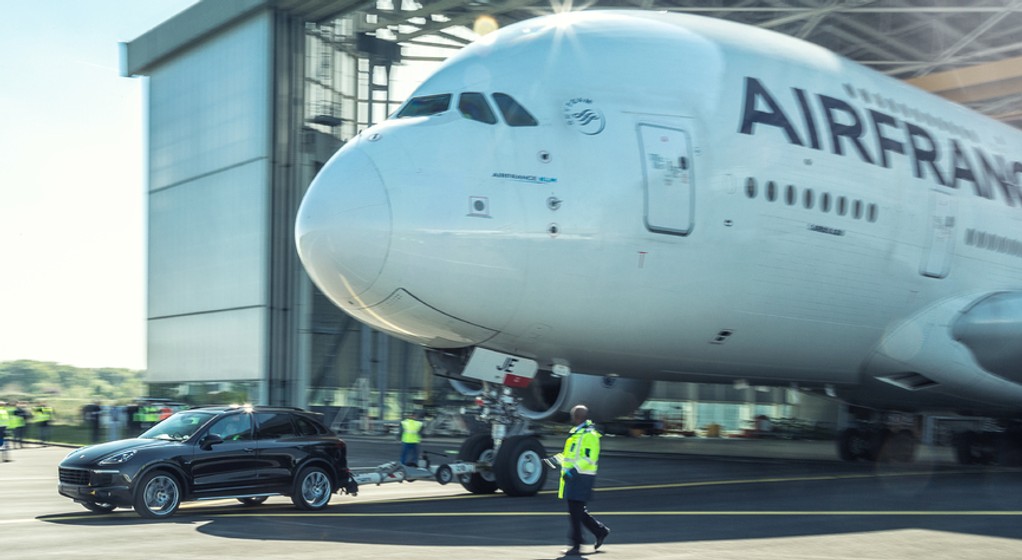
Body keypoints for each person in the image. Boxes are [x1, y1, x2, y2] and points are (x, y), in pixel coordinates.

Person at [557, 404, 610, 556]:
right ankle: (600, 531)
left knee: (575, 512)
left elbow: (589, 457)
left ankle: (576, 545)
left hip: (582, 477)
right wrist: (553, 461)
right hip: (573, 477)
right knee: (577, 511)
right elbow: (570, 455)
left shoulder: (589, 435)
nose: (572, 417)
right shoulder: (576, 433)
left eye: (574, 415)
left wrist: (572, 471)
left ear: (578, 417)